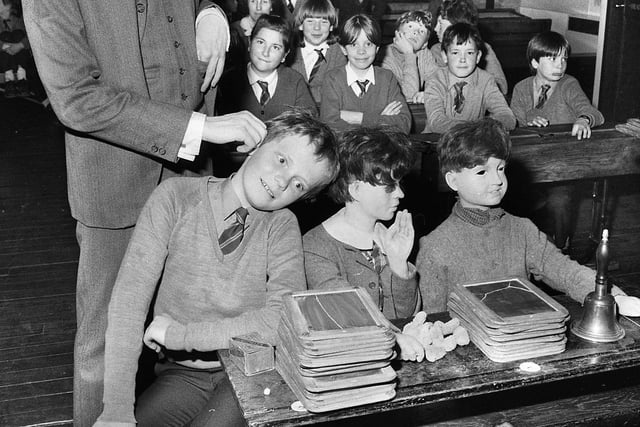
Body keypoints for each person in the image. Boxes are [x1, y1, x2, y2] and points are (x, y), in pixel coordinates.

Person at [22, 1, 267, 425]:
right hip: (114, 184)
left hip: (192, 176)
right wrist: (199, 129)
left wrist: (211, 16)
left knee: (180, 327)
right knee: (107, 348)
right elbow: (77, 98)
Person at [97, 110, 339, 426]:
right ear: (256, 143)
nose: (282, 181)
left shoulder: (280, 227)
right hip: (182, 374)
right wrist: (116, 411)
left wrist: (180, 335)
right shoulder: (175, 198)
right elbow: (128, 304)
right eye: (282, 160)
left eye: (298, 184)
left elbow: (277, 321)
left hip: (253, 369)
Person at [415, 118, 640, 317]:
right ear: (453, 181)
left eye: (501, 168)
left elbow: (565, 271)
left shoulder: (522, 230)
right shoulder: (436, 246)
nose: (497, 180)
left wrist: (611, 296)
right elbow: (433, 319)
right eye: (482, 172)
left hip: (523, 340)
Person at [303, 127, 425, 362]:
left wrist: (399, 264)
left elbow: (407, 316)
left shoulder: (389, 236)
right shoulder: (315, 247)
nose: (400, 193)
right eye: (389, 186)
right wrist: (395, 339)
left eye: (399, 184)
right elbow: (346, 311)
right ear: (356, 189)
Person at [510, 31, 605, 252]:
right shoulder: (522, 88)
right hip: (530, 166)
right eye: (552, 59)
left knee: (559, 201)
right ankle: (520, 247)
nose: (559, 65)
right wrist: (528, 117)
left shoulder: (568, 84)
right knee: (511, 195)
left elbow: (594, 113)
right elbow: (511, 119)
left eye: (563, 59)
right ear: (534, 62)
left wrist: (583, 119)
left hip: (562, 167)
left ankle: (561, 247)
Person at [320, 14, 411, 133]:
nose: (361, 51)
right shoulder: (332, 79)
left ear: (377, 48)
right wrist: (380, 120)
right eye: (354, 44)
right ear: (343, 49)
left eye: (368, 44)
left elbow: (404, 124)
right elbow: (330, 127)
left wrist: (358, 118)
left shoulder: (386, 78)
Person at [217, 14, 317, 120]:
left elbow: (310, 126)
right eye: (260, 42)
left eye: (275, 47)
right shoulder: (228, 81)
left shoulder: (295, 81)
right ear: (250, 44)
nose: (265, 53)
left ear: (284, 55)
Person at [422, 22, 515, 134]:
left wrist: (484, 127)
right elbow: (437, 122)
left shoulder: (486, 80)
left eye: (470, 53)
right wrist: (474, 127)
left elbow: (507, 117)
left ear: (478, 57)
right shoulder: (435, 81)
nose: (463, 59)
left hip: (474, 141)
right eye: (455, 53)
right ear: (445, 56)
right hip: (437, 141)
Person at [431, 0, 508, 95]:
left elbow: (501, 86)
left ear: (455, 27)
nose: (435, 29)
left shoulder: (484, 48)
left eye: (440, 24)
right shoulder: (437, 50)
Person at [288, 0, 347, 106]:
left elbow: (337, 90)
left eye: (324, 22)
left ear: (331, 27)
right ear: (301, 25)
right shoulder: (290, 51)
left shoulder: (338, 53)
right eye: (310, 21)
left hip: (327, 108)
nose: (317, 28)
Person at [380, 10, 440, 104]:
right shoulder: (384, 56)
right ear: (397, 33)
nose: (415, 32)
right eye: (410, 26)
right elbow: (408, 96)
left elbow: (438, 83)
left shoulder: (424, 54)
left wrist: (428, 93)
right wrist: (409, 54)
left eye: (421, 31)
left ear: (424, 44)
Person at [229, 0, 273, 71]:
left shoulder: (279, 32)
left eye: (264, 2)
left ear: (272, 6)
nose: (258, 7)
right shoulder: (234, 31)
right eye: (253, 1)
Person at [0, 0, 30, 98]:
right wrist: (4, 46)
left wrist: (20, 45)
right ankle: (9, 80)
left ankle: (22, 78)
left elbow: (32, 36)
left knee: (18, 34)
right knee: (5, 35)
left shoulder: (20, 17)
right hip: (4, 55)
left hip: (22, 54)